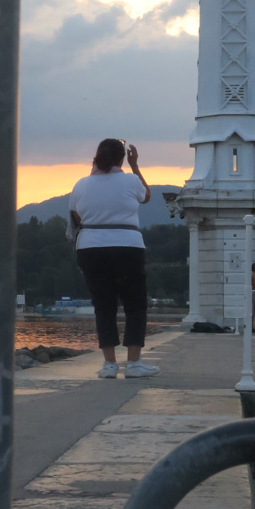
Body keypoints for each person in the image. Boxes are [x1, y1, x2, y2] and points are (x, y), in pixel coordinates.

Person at [69, 138, 161, 379]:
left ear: (97, 157)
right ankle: (134, 363)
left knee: (103, 306)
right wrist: (135, 166)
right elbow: (146, 196)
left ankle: (109, 365)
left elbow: (76, 215)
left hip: (91, 248)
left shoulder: (81, 184)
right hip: (127, 246)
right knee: (135, 304)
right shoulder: (130, 181)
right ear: (122, 159)